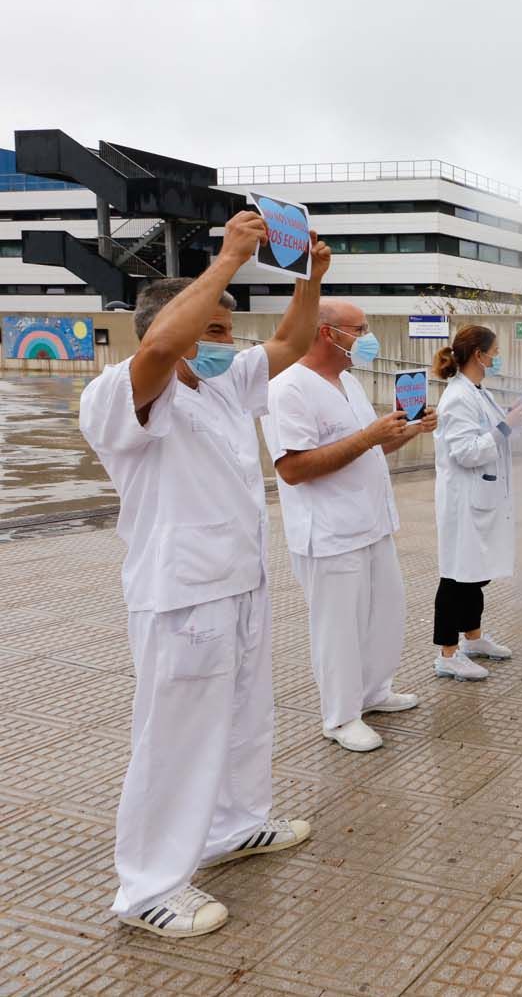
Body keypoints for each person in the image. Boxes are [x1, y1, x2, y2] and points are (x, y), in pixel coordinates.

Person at [78, 211, 326, 938]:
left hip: (238, 580)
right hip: (182, 593)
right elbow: (160, 342)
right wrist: (225, 262)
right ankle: (147, 886)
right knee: (175, 736)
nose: (228, 343)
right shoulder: (122, 391)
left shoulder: (219, 385)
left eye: (224, 329)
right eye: (214, 329)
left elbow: (289, 342)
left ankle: (236, 824)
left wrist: (309, 279)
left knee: (247, 715)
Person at [263, 300, 436, 752]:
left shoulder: (349, 382)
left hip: (372, 523)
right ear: (326, 333)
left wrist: (408, 432)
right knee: (338, 627)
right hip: (330, 533)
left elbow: (367, 449)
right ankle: (339, 717)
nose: (368, 336)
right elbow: (294, 468)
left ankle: (374, 692)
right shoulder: (288, 388)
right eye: (360, 329)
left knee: (385, 613)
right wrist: (368, 437)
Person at [432, 325, 522, 679]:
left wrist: (514, 419)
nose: (496, 357)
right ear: (479, 354)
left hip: (481, 497)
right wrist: (505, 427)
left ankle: (472, 638)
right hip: (464, 500)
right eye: (495, 350)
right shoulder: (457, 397)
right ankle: (447, 653)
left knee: (475, 572)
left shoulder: (477, 392)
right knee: (457, 575)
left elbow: (496, 432)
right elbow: (466, 452)